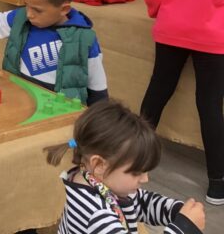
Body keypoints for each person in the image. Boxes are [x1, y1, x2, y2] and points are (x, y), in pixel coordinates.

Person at [140, 0, 224, 205]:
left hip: (172, 30)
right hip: (214, 37)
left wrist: (163, 12)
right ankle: (217, 182)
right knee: (210, 105)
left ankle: (133, 160)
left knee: (157, 93)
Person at [44, 100, 205, 234]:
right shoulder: (96, 216)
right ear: (99, 165)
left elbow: (140, 202)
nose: (145, 178)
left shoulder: (99, 183)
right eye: (137, 172)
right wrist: (184, 227)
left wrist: (175, 211)